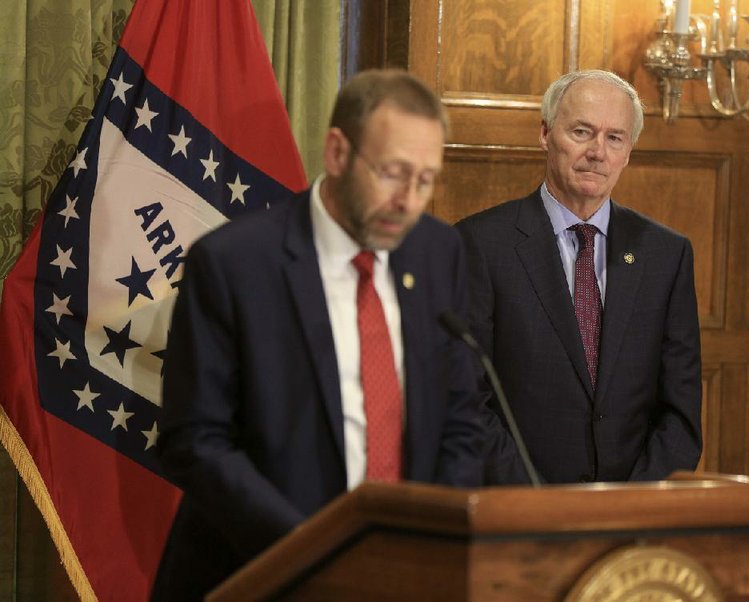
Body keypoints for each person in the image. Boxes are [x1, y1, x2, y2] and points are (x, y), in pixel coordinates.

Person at [152, 69, 486, 599]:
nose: (409, 201)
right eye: (393, 173)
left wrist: (429, 542)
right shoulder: (235, 263)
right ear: (337, 153)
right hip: (262, 573)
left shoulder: (437, 252)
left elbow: (461, 419)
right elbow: (194, 441)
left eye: (425, 180)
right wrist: (316, 549)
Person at [456, 70, 702, 485]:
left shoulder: (666, 254)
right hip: (518, 515)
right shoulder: (479, 244)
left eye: (614, 138)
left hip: (633, 521)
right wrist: (537, 504)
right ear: (545, 134)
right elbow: (466, 398)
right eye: (582, 131)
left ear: (628, 152)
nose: (597, 152)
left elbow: (680, 411)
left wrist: (632, 505)